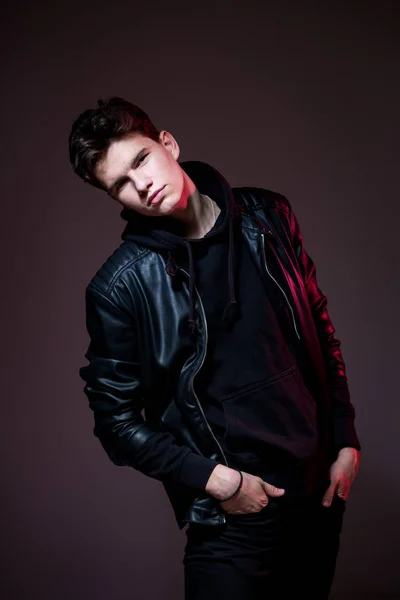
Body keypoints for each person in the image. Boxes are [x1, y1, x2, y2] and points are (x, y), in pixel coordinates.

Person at [69, 96, 361, 599]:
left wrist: (345, 438)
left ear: (167, 143)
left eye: (140, 160)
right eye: (120, 183)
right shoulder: (120, 288)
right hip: (234, 519)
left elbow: (318, 327)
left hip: (318, 496)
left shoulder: (269, 216)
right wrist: (215, 481)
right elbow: (114, 422)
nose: (141, 184)